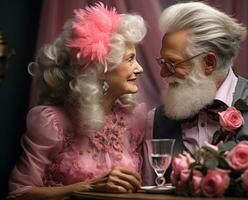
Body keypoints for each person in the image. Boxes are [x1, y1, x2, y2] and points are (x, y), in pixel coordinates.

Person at [142, 2, 248, 186]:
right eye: (162, 63)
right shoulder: (155, 120)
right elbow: (147, 192)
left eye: (173, 64)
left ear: (209, 62)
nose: (163, 74)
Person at [8, 3, 147, 199]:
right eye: (130, 59)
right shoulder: (52, 122)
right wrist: (88, 187)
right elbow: (19, 194)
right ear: (101, 71)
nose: (139, 68)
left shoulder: (136, 120)